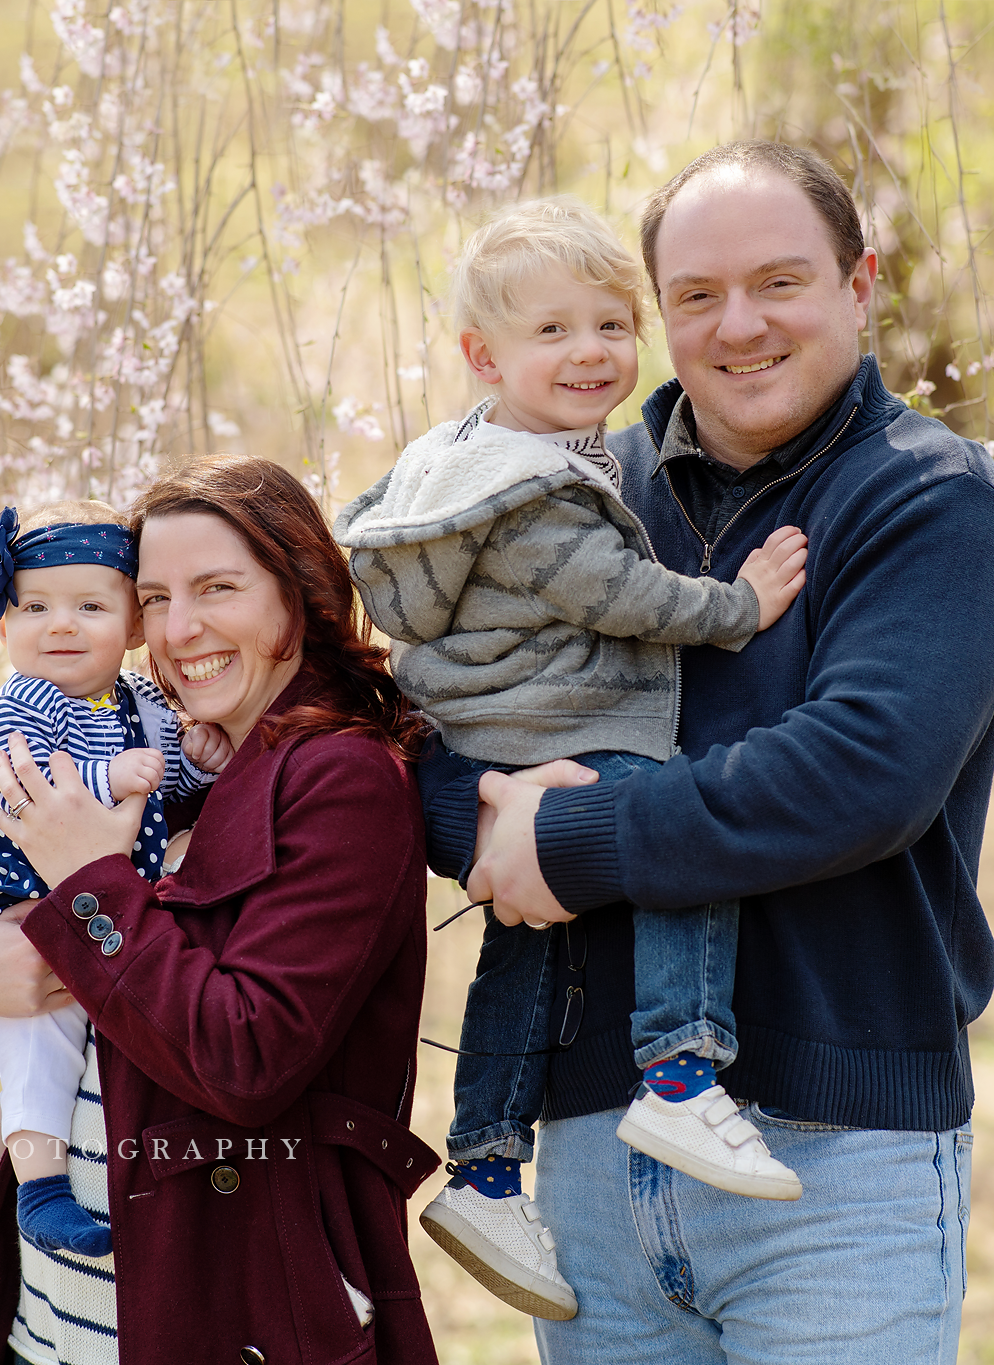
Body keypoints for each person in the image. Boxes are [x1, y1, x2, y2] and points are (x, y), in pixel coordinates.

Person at [423, 142, 994, 1362]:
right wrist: (483, 825)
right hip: (590, 1153)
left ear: (858, 287)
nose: (737, 324)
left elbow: (856, 775)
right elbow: (442, 716)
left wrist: (572, 842)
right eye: (696, 296)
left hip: (835, 1163)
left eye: (778, 283)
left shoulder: (928, 500)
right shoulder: (566, 494)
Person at [333, 197, 811, 1324]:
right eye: (552, 333)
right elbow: (619, 595)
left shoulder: (462, 465)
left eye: (609, 324)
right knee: (684, 840)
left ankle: (488, 1170)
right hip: (562, 734)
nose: (590, 352)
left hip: (495, 742)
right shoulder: (533, 489)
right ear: (479, 357)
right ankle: (682, 1071)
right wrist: (739, 604)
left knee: (527, 949)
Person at [0, 456, 442, 1365]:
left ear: (299, 592)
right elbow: (44, 982)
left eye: (217, 588)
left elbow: (245, 1054)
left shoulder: (342, 779)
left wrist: (89, 876)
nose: (180, 627)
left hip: (226, 1298)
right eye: (155, 597)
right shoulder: (160, 749)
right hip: (58, 1312)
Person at [0, 499, 233, 1261]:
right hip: (8, 893)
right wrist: (105, 773)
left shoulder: (140, 700)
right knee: (46, 1018)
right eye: (34, 606)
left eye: (89, 605)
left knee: (81, 1017)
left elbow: (166, 775)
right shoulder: (22, 700)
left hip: (83, 893)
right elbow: (0, 781)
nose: (59, 625)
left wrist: (200, 762)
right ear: (2, 626)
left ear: (132, 627)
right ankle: (41, 1187)